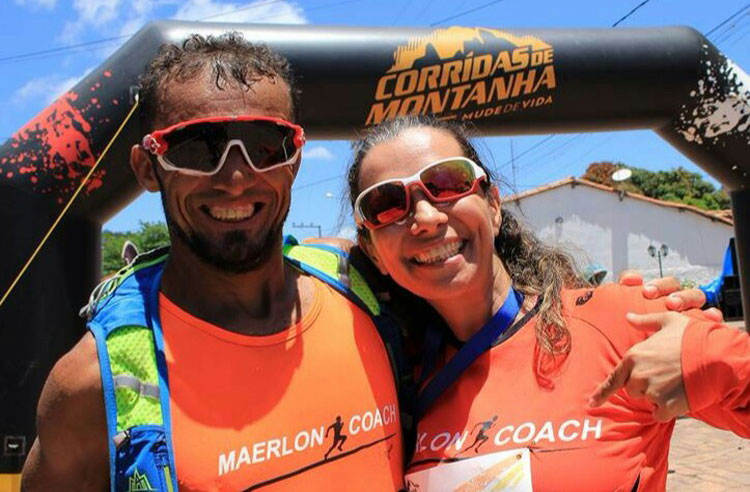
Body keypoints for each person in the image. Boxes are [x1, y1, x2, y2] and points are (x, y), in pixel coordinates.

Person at [22, 34, 404, 491]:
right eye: (197, 148)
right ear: (147, 168)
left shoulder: (360, 283)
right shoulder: (92, 385)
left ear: (295, 159)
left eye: (266, 145)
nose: (236, 178)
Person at [346, 115, 750, 491]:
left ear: (493, 206)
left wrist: (708, 360)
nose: (426, 217)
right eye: (386, 205)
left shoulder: (626, 320)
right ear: (373, 250)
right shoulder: (396, 377)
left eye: (448, 182)